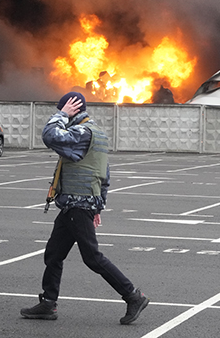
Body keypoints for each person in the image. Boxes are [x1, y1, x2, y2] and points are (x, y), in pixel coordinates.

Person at [20, 91, 149, 325]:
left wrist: (61, 114)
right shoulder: (96, 133)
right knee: (54, 253)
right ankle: (48, 304)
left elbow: (50, 136)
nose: (64, 115)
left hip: (78, 206)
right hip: (76, 205)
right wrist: (98, 206)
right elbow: (104, 175)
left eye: (67, 109)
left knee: (92, 257)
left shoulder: (81, 132)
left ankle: (133, 296)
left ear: (73, 109)